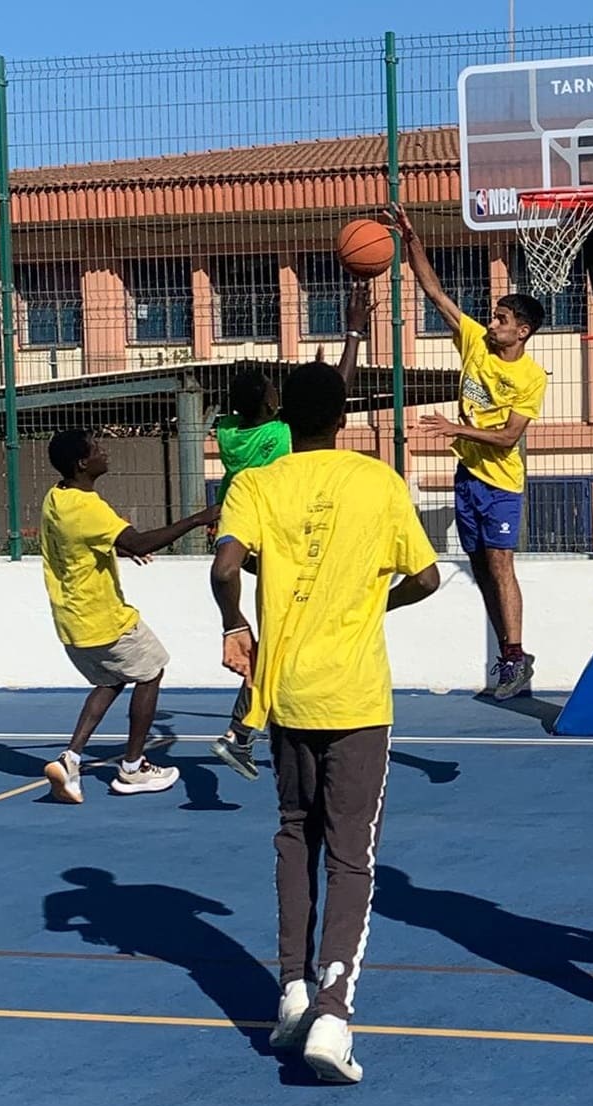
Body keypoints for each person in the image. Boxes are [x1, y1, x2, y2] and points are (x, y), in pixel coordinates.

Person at [210, 360, 441, 1084]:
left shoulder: (255, 482)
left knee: (292, 831)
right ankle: (334, 1013)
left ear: (286, 422)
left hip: (285, 692)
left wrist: (234, 622)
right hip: (355, 695)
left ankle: (292, 989)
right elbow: (427, 575)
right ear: (343, 416)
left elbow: (223, 567)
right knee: (351, 855)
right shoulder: (376, 481)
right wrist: (377, 603)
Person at [382, 202, 547, 700]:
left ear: (522, 331)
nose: (492, 323)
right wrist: (409, 238)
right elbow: (435, 292)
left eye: (501, 319)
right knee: (480, 566)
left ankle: (516, 656)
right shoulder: (475, 340)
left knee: (500, 564)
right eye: (493, 317)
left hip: (500, 481)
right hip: (468, 477)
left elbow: (508, 438)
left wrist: (457, 428)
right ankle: (511, 656)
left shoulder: (530, 376)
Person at [208, 284, 372, 780]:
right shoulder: (275, 434)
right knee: (286, 635)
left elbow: (310, 401)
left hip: (248, 537)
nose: (279, 392)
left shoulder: (228, 430)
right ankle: (242, 732)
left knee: (281, 632)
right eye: (274, 388)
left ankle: (244, 732)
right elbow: (331, 401)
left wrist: (310, 382)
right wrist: (353, 335)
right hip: (280, 541)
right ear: (266, 405)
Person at [39, 430, 220, 804]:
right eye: (96, 448)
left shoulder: (56, 498)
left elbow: (80, 547)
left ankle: (71, 759)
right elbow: (139, 541)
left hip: (71, 619)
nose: (105, 451)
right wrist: (199, 518)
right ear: (82, 464)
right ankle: (132, 768)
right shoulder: (89, 508)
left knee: (112, 678)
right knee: (151, 669)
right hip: (103, 616)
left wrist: (118, 548)